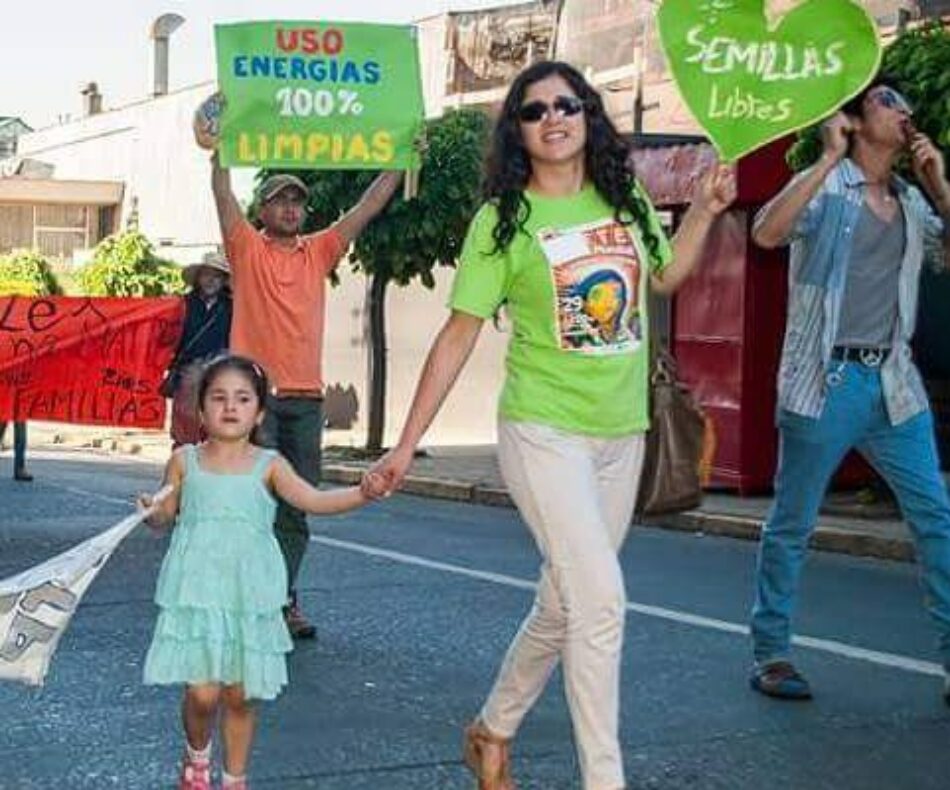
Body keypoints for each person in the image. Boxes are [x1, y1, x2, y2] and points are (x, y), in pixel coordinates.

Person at [366, 61, 736, 790]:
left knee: (565, 601)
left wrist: (704, 213)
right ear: (519, 132)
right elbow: (458, 335)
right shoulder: (502, 222)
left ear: (588, 114)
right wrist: (405, 444)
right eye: (535, 111)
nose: (554, 117)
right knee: (599, 602)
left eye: (568, 103)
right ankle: (606, 779)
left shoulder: (624, 199)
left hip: (622, 432)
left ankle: (493, 727)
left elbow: (663, 280)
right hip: (544, 432)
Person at [749, 78, 950, 703]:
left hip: (893, 382)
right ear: (857, 120)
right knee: (792, 522)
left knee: (937, 518)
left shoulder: (915, 203)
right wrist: (827, 157)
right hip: (825, 379)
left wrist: (941, 184)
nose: (903, 113)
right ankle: (773, 654)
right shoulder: (827, 190)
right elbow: (765, 232)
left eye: (906, 106)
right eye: (888, 101)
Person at [194, 92, 404, 640]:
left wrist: (400, 159)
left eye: (297, 202)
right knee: (250, 503)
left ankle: (281, 598)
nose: (290, 208)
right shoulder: (245, 247)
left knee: (296, 507)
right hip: (255, 401)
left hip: (306, 402)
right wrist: (218, 150)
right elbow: (222, 195)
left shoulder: (319, 251)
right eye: (280, 200)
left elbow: (366, 209)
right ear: (263, 209)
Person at [139, 354, 381, 790]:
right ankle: (197, 757)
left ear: (259, 412)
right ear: (200, 408)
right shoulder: (184, 461)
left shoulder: (269, 464)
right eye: (218, 397)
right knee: (202, 692)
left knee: (240, 693)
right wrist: (151, 513)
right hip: (198, 591)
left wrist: (362, 493)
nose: (230, 407)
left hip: (248, 594)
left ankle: (235, 778)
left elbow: (313, 501)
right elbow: (164, 518)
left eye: (242, 398)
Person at [164, 251, 233, 447]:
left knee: (216, 430)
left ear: (224, 281)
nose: (211, 281)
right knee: (184, 432)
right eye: (207, 275)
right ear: (198, 278)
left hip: (221, 376)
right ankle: (180, 472)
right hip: (188, 375)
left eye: (217, 276)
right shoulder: (182, 305)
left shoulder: (232, 307)